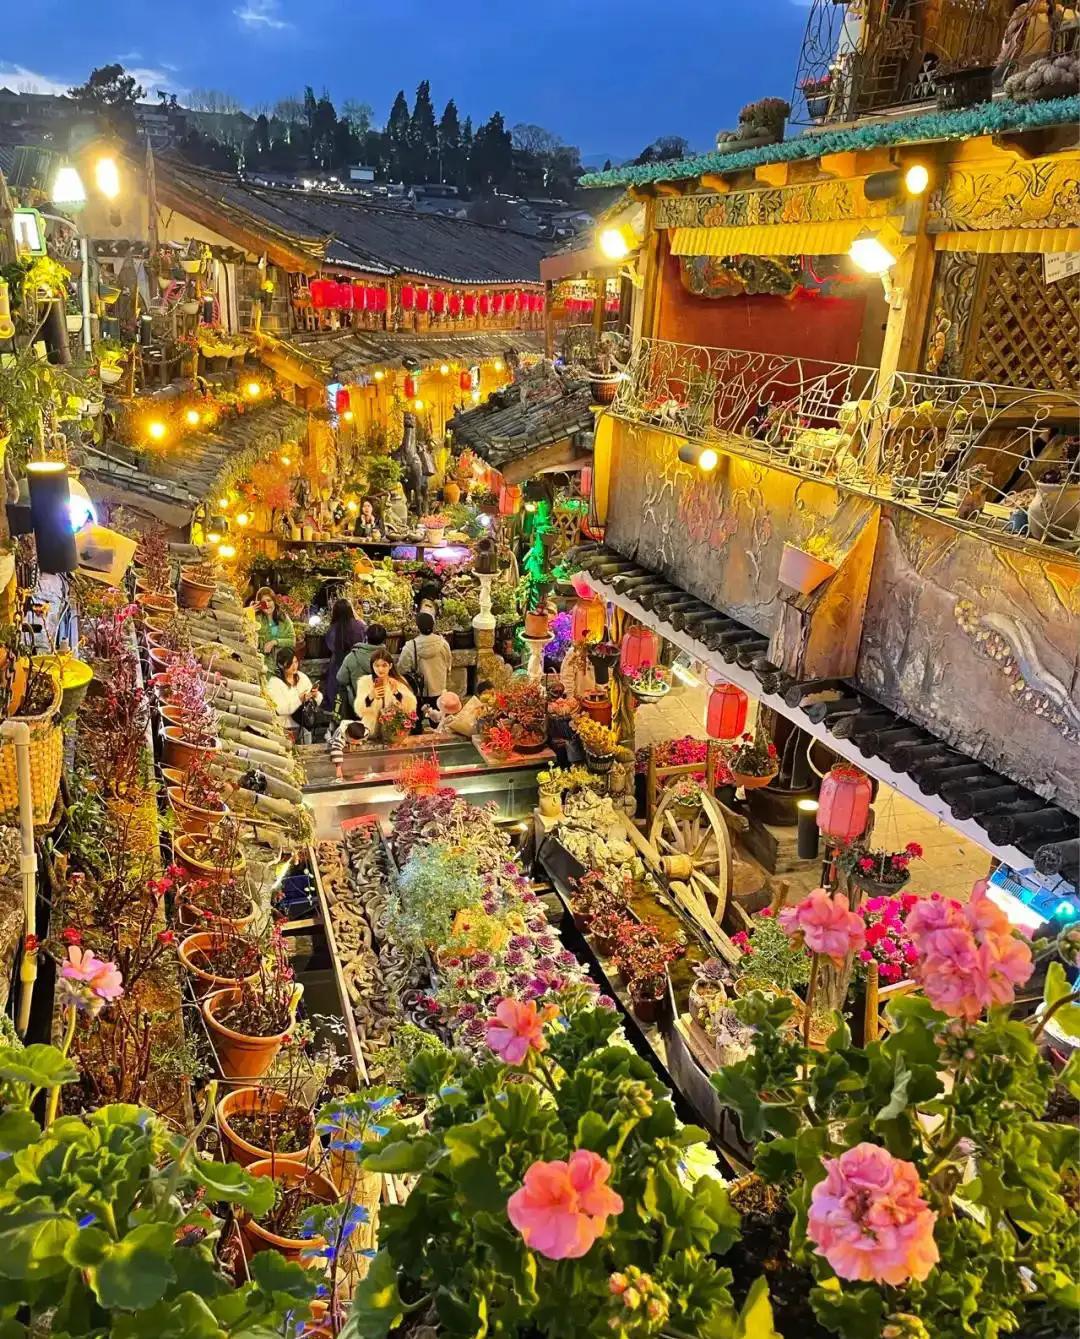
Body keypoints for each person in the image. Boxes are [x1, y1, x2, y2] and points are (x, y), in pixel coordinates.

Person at [352, 647, 417, 737]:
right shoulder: (365, 682)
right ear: (372, 666)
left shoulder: (398, 681)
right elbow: (359, 709)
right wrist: (370, 697)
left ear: (390, 666)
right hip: (370, 731)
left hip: (393, 731)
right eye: (377, 665)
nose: (380, 669)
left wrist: (397, 693)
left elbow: (411, 707)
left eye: (384, 665)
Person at [266, 647, 324, 742]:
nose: (294, 666)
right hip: (285, 729)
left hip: (304, 727)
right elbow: (279, 709)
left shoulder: (301, 677)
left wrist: (315, 695)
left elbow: (317, 700)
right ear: (281, 665)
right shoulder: (274, 683)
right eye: (290, 664)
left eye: (296, 662)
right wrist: (299, 700)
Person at [397, 611, 453, 709]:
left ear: (418, 627)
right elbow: (448, 664)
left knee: (418, 716)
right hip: (439, 689)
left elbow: (402, 669)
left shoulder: (411, 646)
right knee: (438, 716)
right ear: (433, 625)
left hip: (419, 691)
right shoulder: (443, 644)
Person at [336, 623, 387, 715]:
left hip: (358, 705)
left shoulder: (352, 656)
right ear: (384, 640)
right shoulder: (387, 658)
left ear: (366, 637)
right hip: (383, 706)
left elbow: (341, 679)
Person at [323, 598, 366, 704]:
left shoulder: (333, 629)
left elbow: (330, 645)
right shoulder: (359, 625)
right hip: (356, 662)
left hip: (337, 663)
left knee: (337, 695)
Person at [252, 587, 295, 672]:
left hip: (282, 667)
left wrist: (275, 642)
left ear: (274, 601)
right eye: (263, 602)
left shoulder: (283, 618)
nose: (267, 604)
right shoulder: (256, 619)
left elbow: (292, 641)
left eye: (269, 600)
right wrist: (250, 612)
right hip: (262, 665)